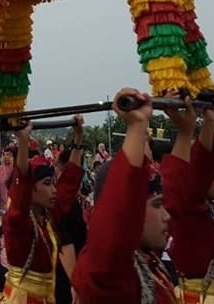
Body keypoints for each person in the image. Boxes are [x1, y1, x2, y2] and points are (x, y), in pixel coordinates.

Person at [72, 88, 178, 303]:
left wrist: (185, 131)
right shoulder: (109, 269)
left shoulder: (148, 260)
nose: (168, 215)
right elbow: (119, 208)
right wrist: (136, 126)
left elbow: (183, 188)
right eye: (157, 205)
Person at [0, 115, 84, 304]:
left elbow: (69, 183)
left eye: (53, 183)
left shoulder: (47, 215)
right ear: (30, 188)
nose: (54, 190)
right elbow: (21, 185)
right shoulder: (17, 221)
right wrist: (23, 140)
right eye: (47, 184)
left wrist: (78, 139)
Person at [161, 94, 214, 304]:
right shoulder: (187, 206)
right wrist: (209, 124)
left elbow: (198, 166)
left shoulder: (203, 209)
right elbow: (200, 165)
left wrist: (213, 122)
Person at [54, 149, 88, 304]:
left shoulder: (72, 201)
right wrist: (75, 283)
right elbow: (65, 244)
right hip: (67, 276)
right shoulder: (63, 204)